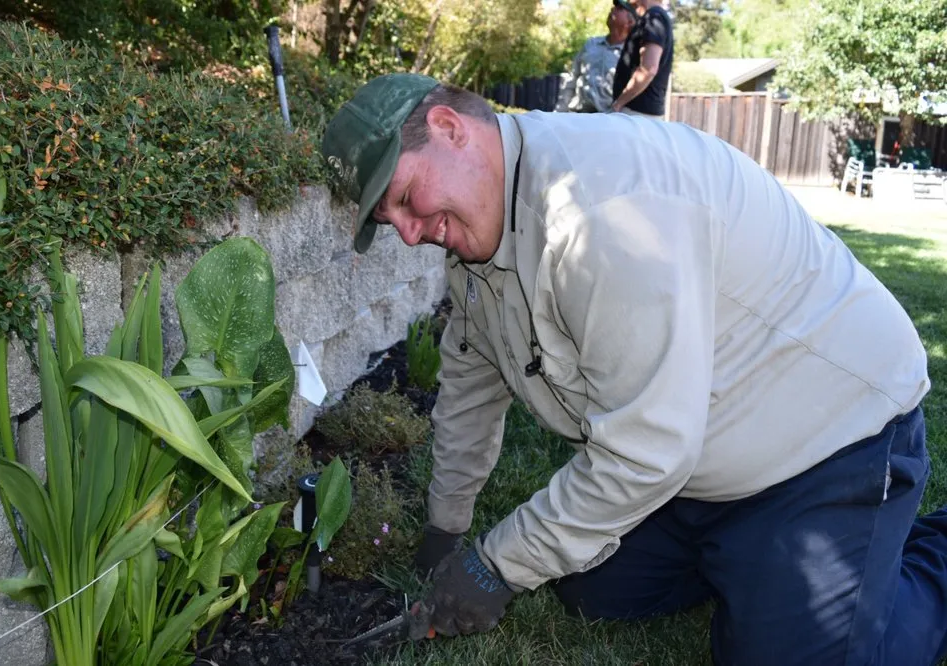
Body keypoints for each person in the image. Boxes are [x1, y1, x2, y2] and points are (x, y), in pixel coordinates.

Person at [320, 72, 947, 665]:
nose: (407, 233)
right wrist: (443, 532)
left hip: (829, 440)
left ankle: (922, 555)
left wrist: (496, 567)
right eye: (388, 220)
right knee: (591, 590)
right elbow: (468, 393)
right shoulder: (480, 242)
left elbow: (647, 452)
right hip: (701, 454)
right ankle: (745, 557)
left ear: (451, 128)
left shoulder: (600, 215)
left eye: (403, 198)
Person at [554, 0, 636, 114]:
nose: (612, 9)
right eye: (614, 7)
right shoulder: (591, 44)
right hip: (578, 115)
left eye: (620, 9)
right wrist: (559, 112)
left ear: (630, 22)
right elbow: (572, 78)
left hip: (608, 119)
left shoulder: (630, 54)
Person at [610, 0, 674, 117]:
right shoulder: (651, 17)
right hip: (637, 113)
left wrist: (618, 103)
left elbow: (648, 69)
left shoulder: (654, 18)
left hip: (637, 114)